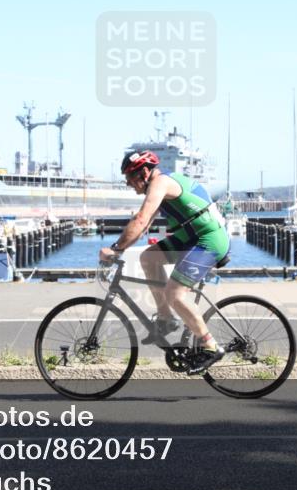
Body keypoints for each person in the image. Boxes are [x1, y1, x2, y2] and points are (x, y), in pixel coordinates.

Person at [99, 150, 231, 375]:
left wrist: (115, 249)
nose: (129, 184)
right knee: (149, 257)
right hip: (191, 237)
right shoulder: (156, 186)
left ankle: (210, 346)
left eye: (130, 178)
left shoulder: (160, 183)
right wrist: (121, 248)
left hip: (208, 239)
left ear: (144, 172)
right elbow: (143, 225)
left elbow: (140, 219)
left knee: (175, 293)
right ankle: (166, 318)